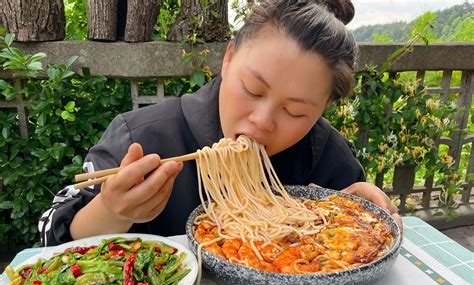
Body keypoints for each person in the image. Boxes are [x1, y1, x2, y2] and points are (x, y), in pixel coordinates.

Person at [39, 0, 402, 246]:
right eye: (253, 89)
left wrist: (364, 210)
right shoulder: (143, 136)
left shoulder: (330, 156)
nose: (262, 121)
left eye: (295, 112)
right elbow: (49, 238)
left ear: (322, 108)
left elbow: (359, 247)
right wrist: (110, 211)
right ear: (228, 59)